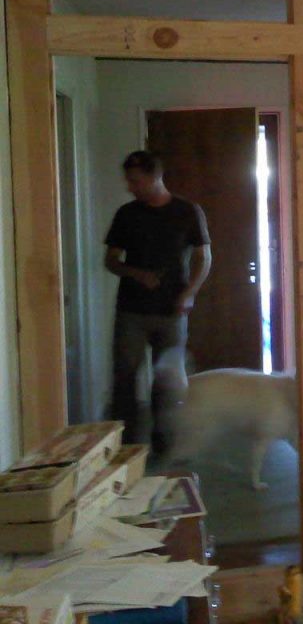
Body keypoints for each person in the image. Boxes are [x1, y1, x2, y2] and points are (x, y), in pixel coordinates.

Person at [104, 150, 212, 455]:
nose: (130, 186)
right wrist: (135, 273)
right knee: (124, 380)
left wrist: (190, 292)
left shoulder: (188, 212)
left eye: (135, 180)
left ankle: (164, 449)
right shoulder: (127, 214)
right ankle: (126, 449)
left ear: (155, 177)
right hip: (131, 311)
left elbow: (204, 257)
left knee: (167, 383)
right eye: (128, 180)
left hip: (171, 312)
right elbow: (110, 261)